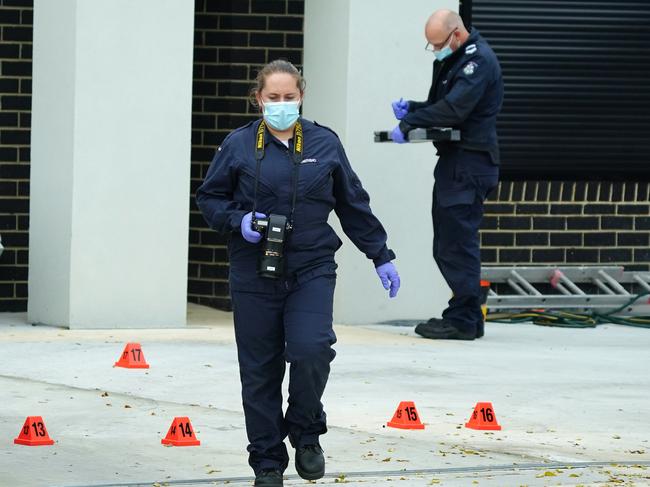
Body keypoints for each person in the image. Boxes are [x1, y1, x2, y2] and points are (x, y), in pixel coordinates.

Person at [196, 59, 400, 486]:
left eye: (290, 97)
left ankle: (306, 433)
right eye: (274, 98)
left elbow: (352, 203)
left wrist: (380, 254)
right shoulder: (237, 146)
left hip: (311, 267)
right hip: (253, 272)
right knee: (260, 370)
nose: (282, 104)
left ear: (301, 96)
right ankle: (268, 462)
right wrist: (239, 222)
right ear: (259, 99)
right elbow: (209, 199)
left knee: (311, 351)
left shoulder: (324, 143)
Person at [390, 10, 503, 340]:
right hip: (457, 161)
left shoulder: (477, 61)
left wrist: (410, 123)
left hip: (470, 163)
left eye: (438, 43)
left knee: (456, 243)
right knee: (449, 242)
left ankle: (464, 319)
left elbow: (455, 109)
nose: (434, 50)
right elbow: (440, 103)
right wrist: (412, 108)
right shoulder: (453, 58)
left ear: (455, 34)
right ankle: (466, 314)